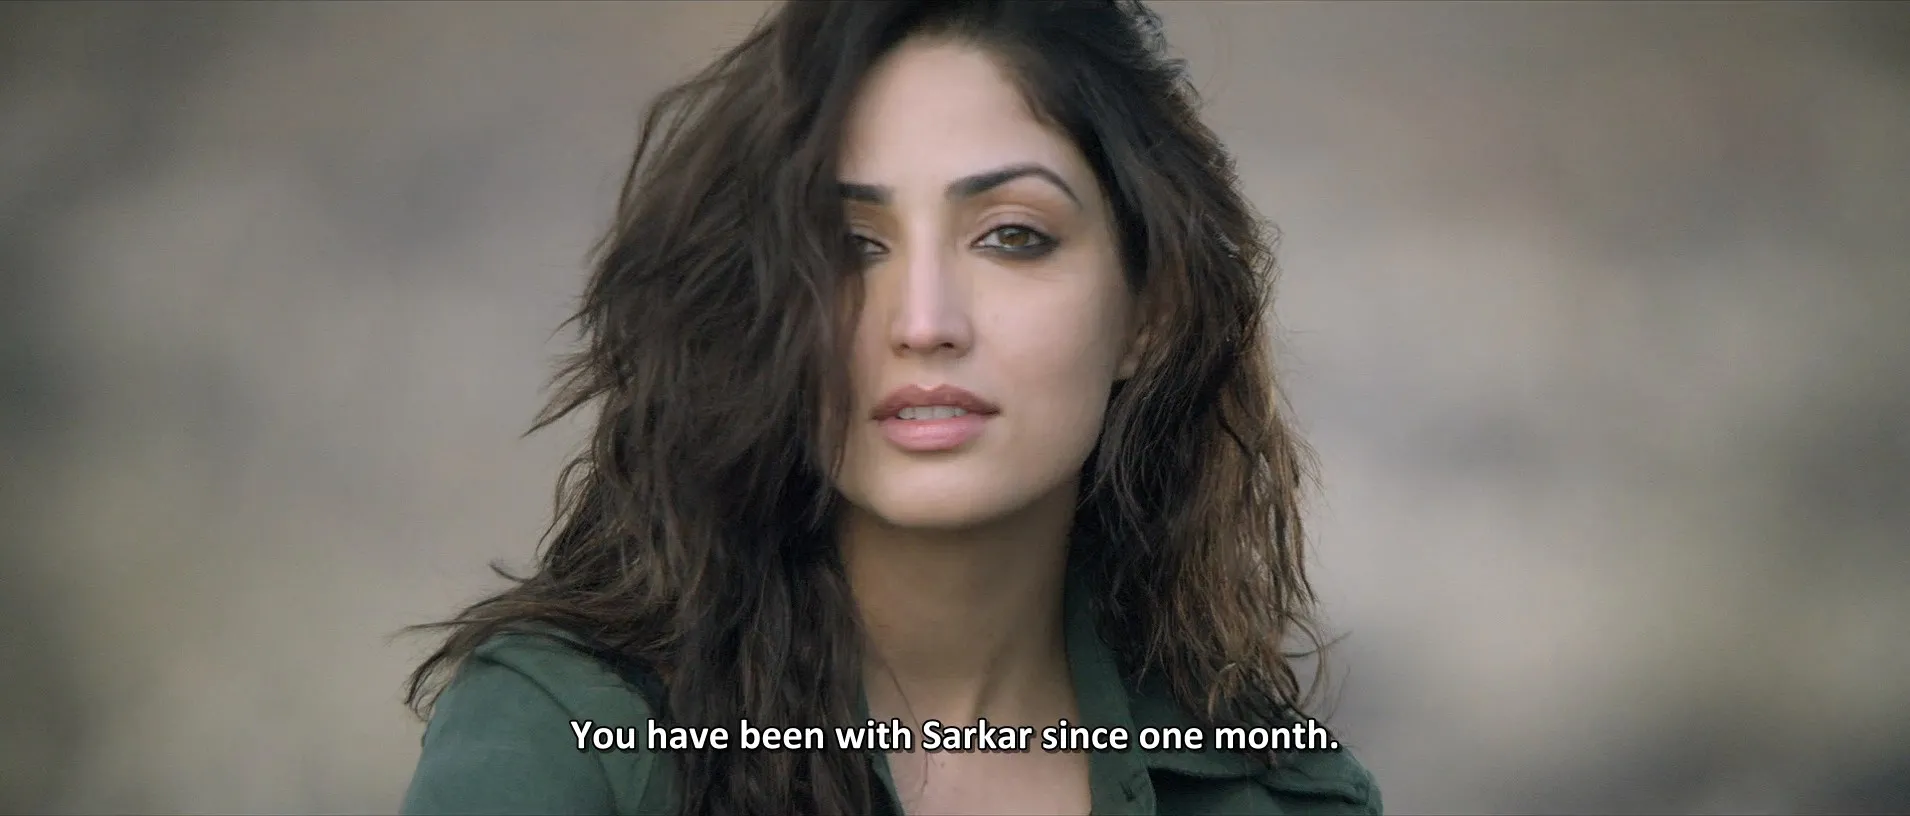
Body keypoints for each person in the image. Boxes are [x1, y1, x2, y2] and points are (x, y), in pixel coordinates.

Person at [399, 1, 1381, 813]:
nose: (923, 323)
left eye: (1011, 236)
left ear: (1149, 312)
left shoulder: (1279, 795)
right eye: (847, 247)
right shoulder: (568, 744)